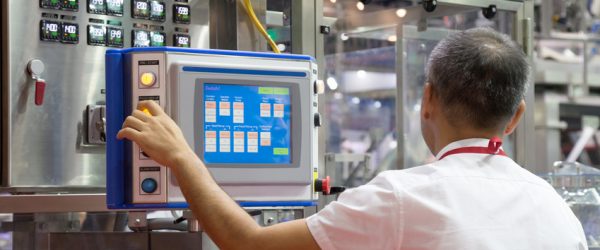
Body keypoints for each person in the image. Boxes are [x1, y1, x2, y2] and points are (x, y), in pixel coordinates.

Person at [118, 27, 587, 249]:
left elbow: (247, 245)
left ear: (427, 100)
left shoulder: (401, 197)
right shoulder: (554, 207)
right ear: (515, 118)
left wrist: (180, 155)